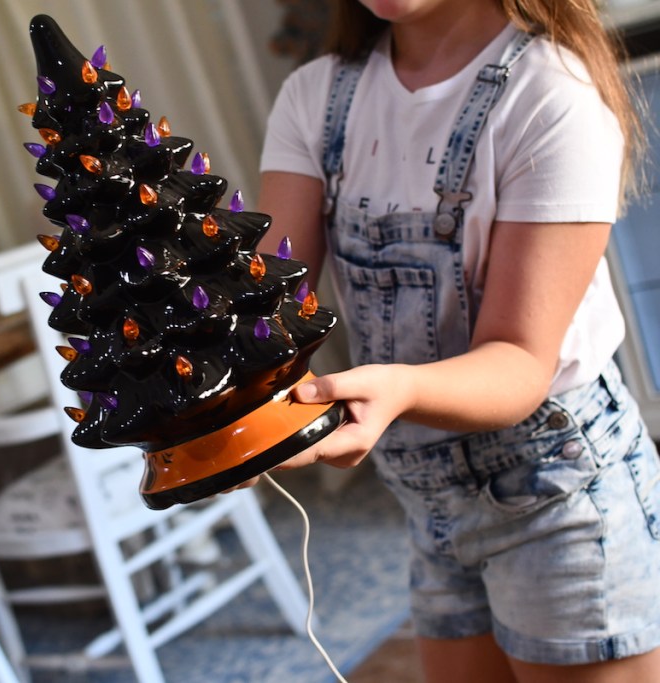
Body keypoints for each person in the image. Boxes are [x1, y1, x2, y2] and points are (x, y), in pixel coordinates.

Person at [254, 0, 660, 681]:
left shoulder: (553, 93)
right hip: (430, 508)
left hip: (560, 500)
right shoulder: (315, 98)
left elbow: (521, 360)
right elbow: (267, 308)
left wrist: (398, 389)